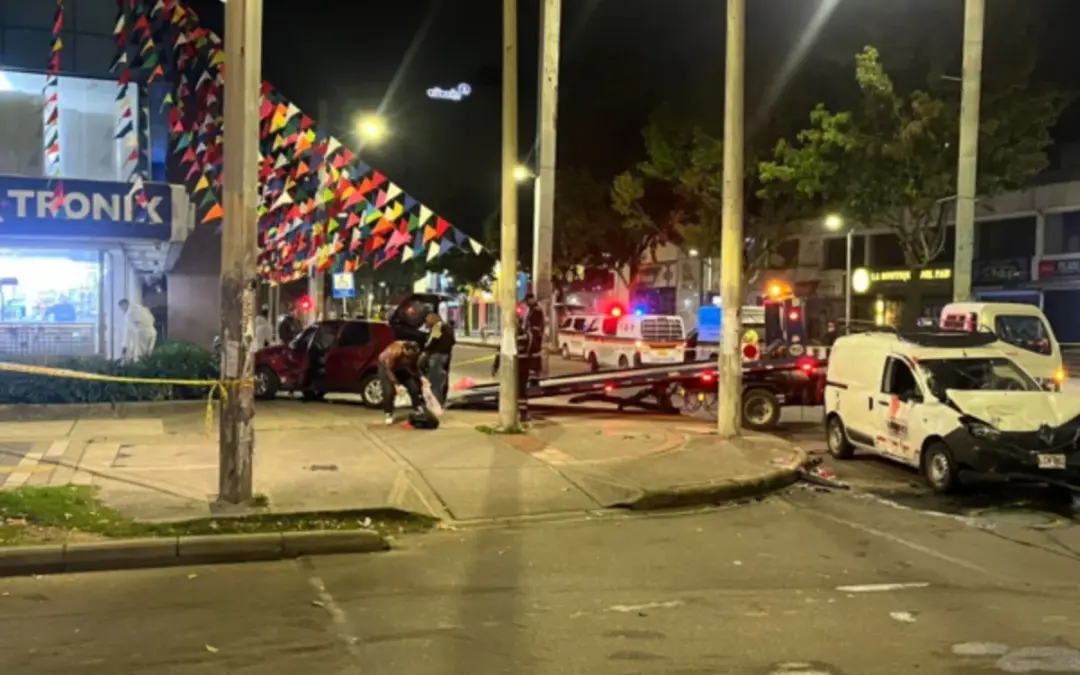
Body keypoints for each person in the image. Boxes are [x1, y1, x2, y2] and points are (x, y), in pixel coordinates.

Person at [378, 340, 429, 425]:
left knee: (413, 387)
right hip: (386, 368)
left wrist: (421, 377)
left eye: (413, 355)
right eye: (410, 355)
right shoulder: (394, 351)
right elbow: (389, 370)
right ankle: (388, 413)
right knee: (389, 392)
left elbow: (414, 367)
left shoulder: (414, 353)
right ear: (405, 350)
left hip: (401, 368)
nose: (411, 357)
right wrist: (396, 385)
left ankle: (417, 407)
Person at [422, 311, 454, 406]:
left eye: (427, 321)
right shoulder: (448, 327)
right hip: (446, 355)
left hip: (437, 356)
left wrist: (426, 347)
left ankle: (435, 403)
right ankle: (441, 400)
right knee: (443, 379)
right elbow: (453, 341)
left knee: (435, 380)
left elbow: (432, 341)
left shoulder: (437, 326)